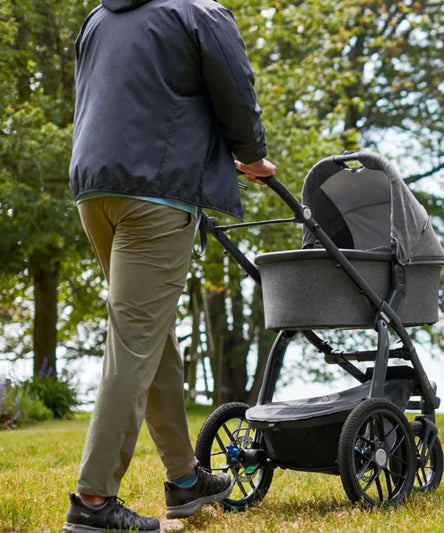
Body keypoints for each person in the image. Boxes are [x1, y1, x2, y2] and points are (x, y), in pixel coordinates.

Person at [63, 0, 276, 532]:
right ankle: (93, 502)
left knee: (151, 339)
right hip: (155, 195)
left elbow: (105, 98)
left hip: (95, 188)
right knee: (135, 341)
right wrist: (252, 156)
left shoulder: (99, 18)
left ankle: (184, 480)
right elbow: (235, 90)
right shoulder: (199, 13)